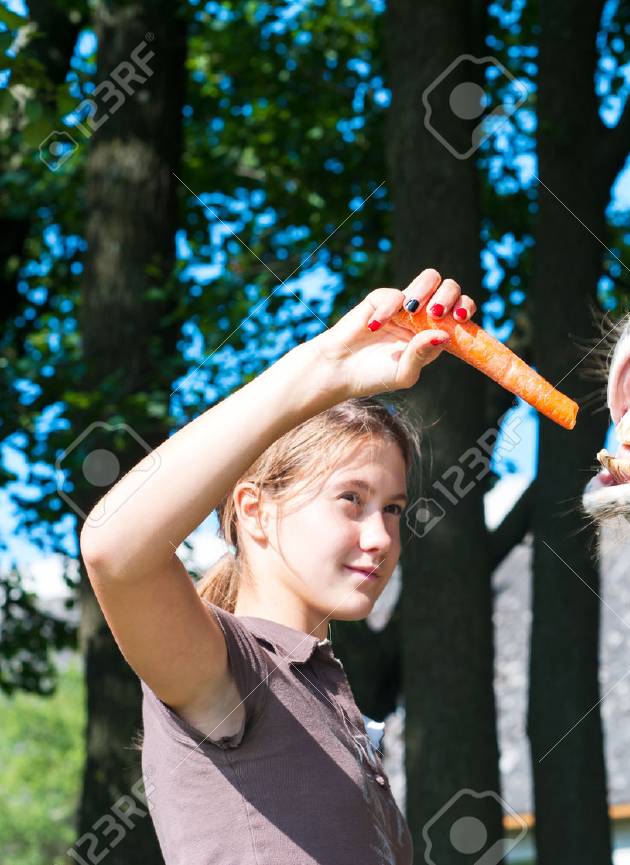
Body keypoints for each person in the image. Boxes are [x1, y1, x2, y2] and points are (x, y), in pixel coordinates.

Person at [79, 269, 476, 865]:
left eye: (393, 508)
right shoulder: (231, 671)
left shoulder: (324, 692)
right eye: (351, 499)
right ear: (254, 512)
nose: (381, 538)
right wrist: (323, 367)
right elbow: (114, 549)